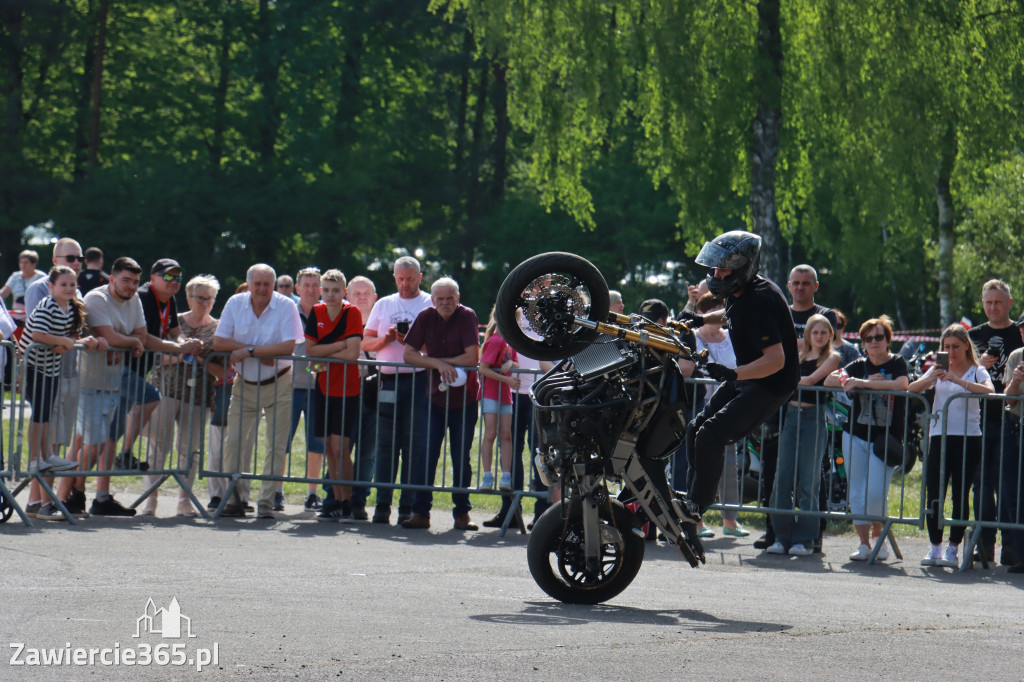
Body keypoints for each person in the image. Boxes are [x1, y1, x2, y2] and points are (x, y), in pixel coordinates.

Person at [678, 230, 800, 529]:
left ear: (743, 267)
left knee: (711, 434)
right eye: (715, 268)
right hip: (749, 375)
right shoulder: (740, 291)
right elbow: (731, 314)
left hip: (770, 383)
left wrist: (734, 373)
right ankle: (692, 498)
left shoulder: (761, 299)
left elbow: (776, 360)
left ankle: (697, 505)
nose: (717, 274)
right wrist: (702, 319)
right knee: (695, 429)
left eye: (723, 268)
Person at [213, 264, 304, 519]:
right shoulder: (234, 303)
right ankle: (233, 500)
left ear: (274, 284)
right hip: (244, 384)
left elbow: (287, 347)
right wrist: (259, 349)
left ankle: (265, 502)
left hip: (280, 383)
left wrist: (249, 351)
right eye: (258, 283)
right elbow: (220, 342)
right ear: (249, 283)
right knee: (233, 443)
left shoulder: (286, 305)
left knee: (276, 446)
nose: (263, 289)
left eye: (268, 284)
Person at [20, 266, 105, 520]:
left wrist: (75, 342)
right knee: (39, 414)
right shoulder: (47, 306)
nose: (69, 288)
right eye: (63, 284)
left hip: (52, 367)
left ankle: (46, 455)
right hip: (34, 366)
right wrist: (66, 342)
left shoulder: (71, 309)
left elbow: (63, 341)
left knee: (46, 413)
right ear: (52, 286)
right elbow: (37, 334)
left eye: (72, 284)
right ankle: (36, 457)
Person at [824, 315, 909, 561]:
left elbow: (902, 384)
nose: (873, 342)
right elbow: (830, 379)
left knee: (875, 492)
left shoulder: (897, 362)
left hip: (885, 438)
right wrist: (853, 381)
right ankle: (863, 543)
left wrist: (864, 384)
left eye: (878, 337)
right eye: (868, 338)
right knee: (857, 492)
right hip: (855, 434)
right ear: (862, 343)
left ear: (887, 340)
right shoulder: (859, 364)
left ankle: (878, 536)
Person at [68, 257, 148, 517]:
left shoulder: (133, 299)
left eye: (136, 282)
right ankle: (71, 494)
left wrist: (132, 341)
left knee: (97, 442)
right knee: (90, 441)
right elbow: (111, 336)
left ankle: (77, 494)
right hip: (88, 382)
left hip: (113, 381)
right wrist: (132, 341)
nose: (131, 286)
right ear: (112, 278)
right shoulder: (96, 299)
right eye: (126, 280)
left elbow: (142, 335)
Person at [909, 324, 993, 568]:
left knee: (960, 493)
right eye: (946, 347)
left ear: (966, 345)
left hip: (968, 438)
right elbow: (911, 389)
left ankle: (953, 548)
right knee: (934, 492)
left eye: (956, 346)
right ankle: (935, 547)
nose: (951, 351)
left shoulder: (976, 370)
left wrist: (958, 380)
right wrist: (930, 379)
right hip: (939, 436)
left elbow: (989, 391)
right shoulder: (939, 368)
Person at [401, 277, 481, 531]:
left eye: (450, 298)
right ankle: (421, 513)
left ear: (458, 298)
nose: (445, 303)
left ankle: (462, 515)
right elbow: (408, 353)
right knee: (426, 455)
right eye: (440, 299)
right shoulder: (425, 316)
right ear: (433, 300)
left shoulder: (468, 316)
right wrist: (439, 364)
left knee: (461, 458)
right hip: (433, 399)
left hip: (465, 400)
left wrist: (441, 361)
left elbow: (472, 356)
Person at [138, 275, 222, 517]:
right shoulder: (173, 322)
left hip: (199, 396)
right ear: (188, 298)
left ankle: (184, 500)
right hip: (165, 389)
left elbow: (220, 369)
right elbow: (153, 354)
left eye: (210, 299)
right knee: (158, 446)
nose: (205, 303)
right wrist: (180, 355)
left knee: (190, 449)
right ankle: (150, 499)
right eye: (200, 298)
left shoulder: (218, 328)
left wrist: (198, 360)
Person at [111, 259, 202, 471]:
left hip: (138, 369)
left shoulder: (169, 300)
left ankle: (102, 487)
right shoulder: (143, 297)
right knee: (150, 398)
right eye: (168, 276)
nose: (173, 281)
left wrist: (184, 342)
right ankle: (122, 456)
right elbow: (144, 337)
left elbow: (174, 330)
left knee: (112, 430)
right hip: (120, 367)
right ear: (153, 278)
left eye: (177, 277)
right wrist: (179, 349)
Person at [361, 256, 431, 525]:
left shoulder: (428, 303)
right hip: (387, 379)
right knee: (386, 443)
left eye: (410, 279)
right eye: (400, 278)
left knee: (413, 444)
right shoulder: (384, 303)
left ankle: (408, 506)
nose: (405, 284)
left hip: (417, 379)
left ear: (420, 278)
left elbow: (437, 345)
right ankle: (382, 504)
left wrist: (413, 341)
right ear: (394, 278)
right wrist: (387, 339)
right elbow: (367, 341)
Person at [767, 314, 840, 556]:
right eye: (814, 332)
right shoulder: (796, 356)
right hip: (790, 416)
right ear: (807, 335)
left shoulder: (832, 357)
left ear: (830, 335)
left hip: (813, 418)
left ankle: (805, 539)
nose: (819, 336)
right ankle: (781, 536)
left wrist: (787, 380)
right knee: (782, 478)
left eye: (824, 332)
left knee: (809, 480)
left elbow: (809, 380)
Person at [967, 280, 1023, 565]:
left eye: (998, 302)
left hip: (1012, 420)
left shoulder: (1019, 333)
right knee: (981, 484)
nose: (992, 308)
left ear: (1009, 303)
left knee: (1010, 485)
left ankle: (1012, 550)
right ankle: (983, 545)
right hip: (979, 419)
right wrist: (978, 367)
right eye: (988, 303)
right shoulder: (974, 335)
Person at [303, 269, 363, 521]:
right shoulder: (315, 312)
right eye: (326, 290)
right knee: (328, 446)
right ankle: (336, 501)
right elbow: (309, 351)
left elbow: (353, 354)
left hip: (349, 388)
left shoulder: (352, 312)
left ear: (344, 292)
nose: (330, 294)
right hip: (324, 387)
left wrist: (325, 351)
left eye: (335, 290)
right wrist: (340, 344)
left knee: (341, 447)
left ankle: (347, 501)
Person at [691, 292, 749, 538]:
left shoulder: (732, 338)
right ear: (703, 313)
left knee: (729, 465)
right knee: (696, 464)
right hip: (699, 405)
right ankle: (696, 521)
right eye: (714, 309)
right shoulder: (692, 337)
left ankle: (730, 521)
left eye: (722, 309)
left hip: (728, 405)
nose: (720, 315)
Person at [286, 267, 326, 512]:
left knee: (316, 441)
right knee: (282, 441)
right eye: (306, 285)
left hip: (318, 386)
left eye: (315, 285)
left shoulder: (329, 312)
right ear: (297, 288)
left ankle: (312, 493)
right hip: (289, 383)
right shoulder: (287, 310)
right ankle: (276, 491)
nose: (311, 289)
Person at [477, 307, 519, 492]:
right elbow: (483, 368)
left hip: (505, 394)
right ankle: (487, 476)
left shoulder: (511, 342)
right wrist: (507, 379)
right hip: (491, 393)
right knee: (491, 433)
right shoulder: (494, 341)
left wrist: (511, 364)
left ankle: (506, 476)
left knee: (506, 435)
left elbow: (516, 363)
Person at [347, 275, 378, 520]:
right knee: (340, 449)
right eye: (356, 293)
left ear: (375, 297)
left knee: (368, 452)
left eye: (366, 292)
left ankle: (359, 500)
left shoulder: (383, 323)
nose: (362, 297)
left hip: (373, 397)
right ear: (348, 296)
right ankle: (335, 496)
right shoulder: (341, 323)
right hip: (344, 394)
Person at [1000, 313, 1024, 573]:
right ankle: (1021, 554)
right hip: (1017, 428)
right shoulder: (1016, 356)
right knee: (1015, 491)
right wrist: (1015, 382)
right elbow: (1009, 400)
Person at [2, 249, 45, 326]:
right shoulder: (15, 276)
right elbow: (4, 293)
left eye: (26, 263)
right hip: (16, 319)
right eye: (21, 262)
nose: (23, 265)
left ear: (34, 264)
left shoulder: (42, 278)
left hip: (36, 319)